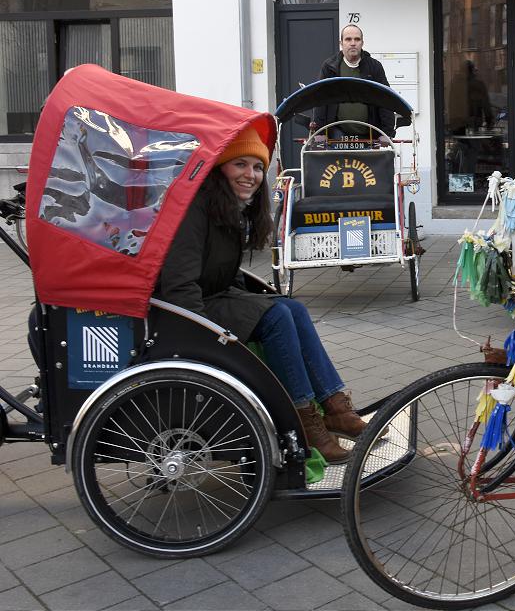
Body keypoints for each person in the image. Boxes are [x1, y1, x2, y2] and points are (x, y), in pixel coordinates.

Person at [156, 127, 366, 464]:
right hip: (188, 308)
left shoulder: (228, 208)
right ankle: (304, 421)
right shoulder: (195, 208)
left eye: (257, 167)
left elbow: (220, 268)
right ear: (220, 168)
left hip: (216, 294)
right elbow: (180, 283)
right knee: (278, 316)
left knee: (293, 308)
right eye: (240, 164)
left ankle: (334, 407)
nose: (250, 175)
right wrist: (204, 337)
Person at [313, 24, 394, 142]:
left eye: (357, 39)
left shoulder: (374, 67)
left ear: (362, 43)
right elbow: (320, 99)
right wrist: (320, 132)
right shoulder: (329, 67)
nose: (353, 43)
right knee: (342, 162)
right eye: (348, 39)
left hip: (370, 134)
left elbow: (386, 98)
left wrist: (386, 133)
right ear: (341, 43)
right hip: (337, 134)